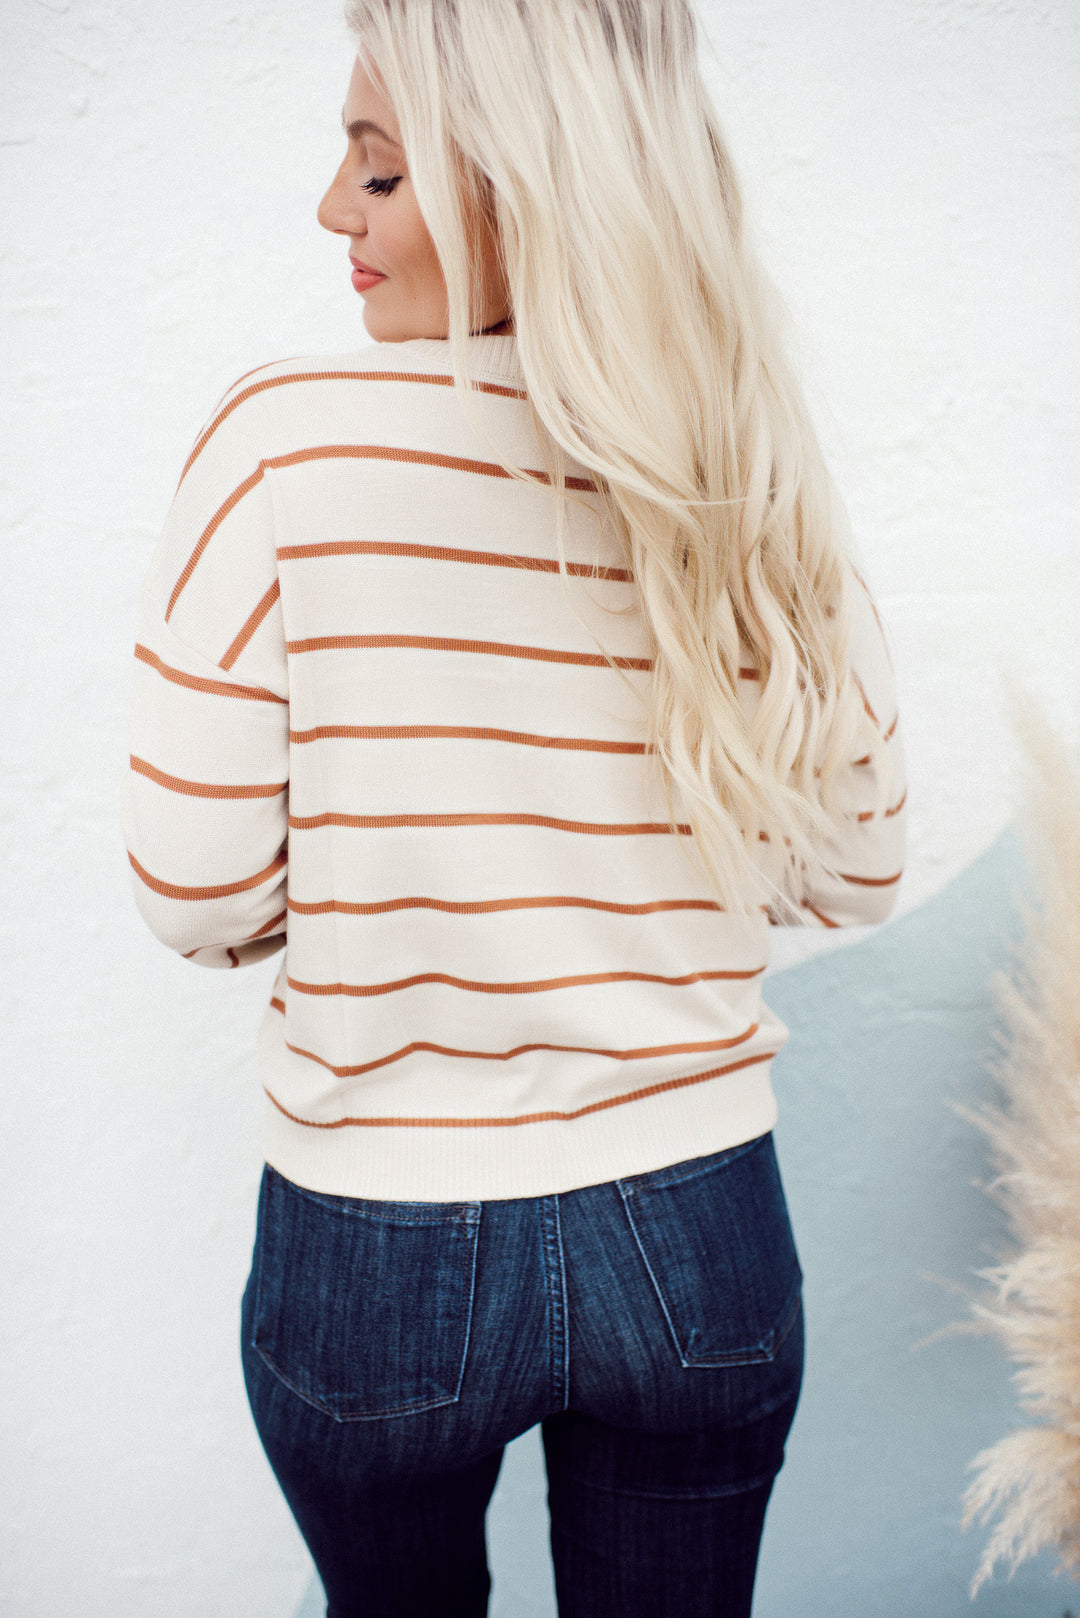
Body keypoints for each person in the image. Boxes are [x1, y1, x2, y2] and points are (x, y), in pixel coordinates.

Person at [122, 2, 907, 1613]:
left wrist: (382, 873)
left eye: (380, 170)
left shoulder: (283, 443)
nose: (332, 210)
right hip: (697, 1227)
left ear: (516, 185)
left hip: (377, 1243)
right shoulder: (735, 458)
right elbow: (856, 862)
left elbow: (192, 888)